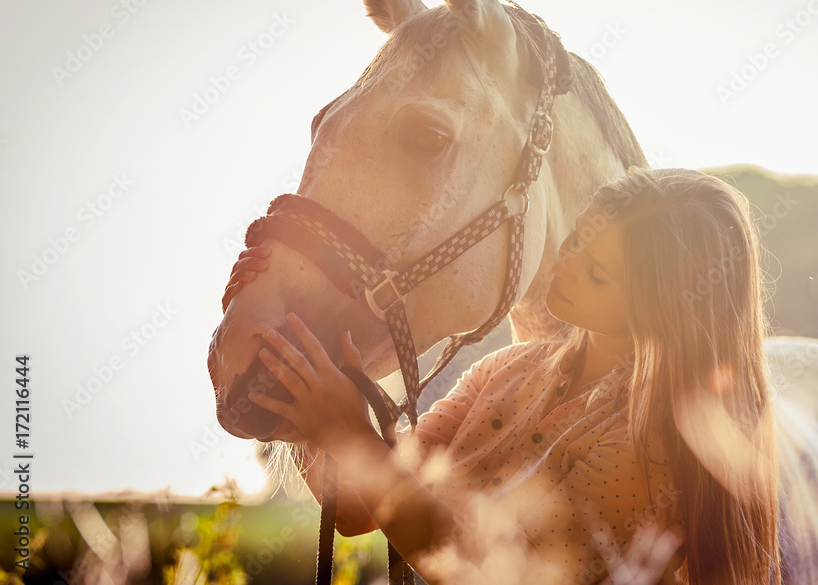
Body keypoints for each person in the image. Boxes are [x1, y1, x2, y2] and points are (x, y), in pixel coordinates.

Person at [224, 167, 782, 585]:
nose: (564, 264)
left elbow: (495, 574)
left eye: (596, 272)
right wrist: (294, 374)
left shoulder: (653, 445)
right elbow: (359, 509)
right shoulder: (507, 370)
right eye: (577, 237)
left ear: (657, 307)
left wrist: (350, 432)